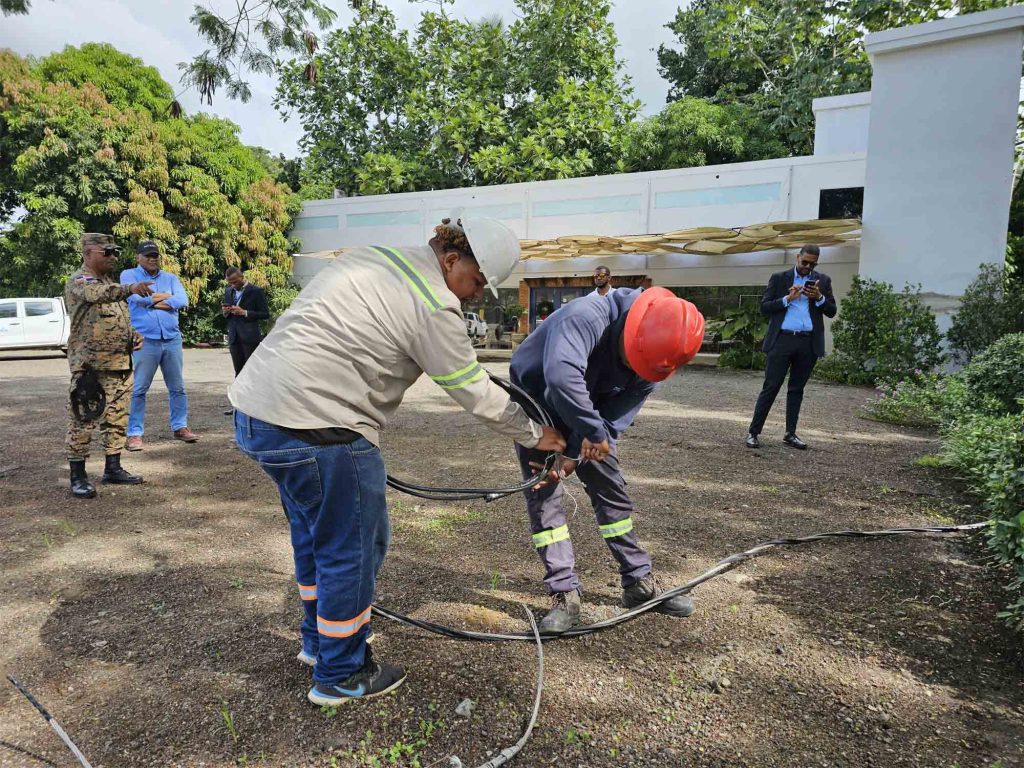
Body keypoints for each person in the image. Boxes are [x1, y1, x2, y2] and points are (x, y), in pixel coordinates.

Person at [228, 218, 566, 707]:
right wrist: (537, 434)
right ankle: (341, 673)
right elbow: (473, 389)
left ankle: (318, 643)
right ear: (451, 259)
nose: (476, 295)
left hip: (259, 417)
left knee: (315, 535)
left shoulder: (374, 256)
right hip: (321, 427)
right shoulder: (434, 304)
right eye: (476, 282)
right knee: (352, 549)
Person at [510, 286, 705, 632]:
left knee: (612, 493)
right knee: (545, 497)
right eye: (632, 360)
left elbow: (613, 419)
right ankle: (563, 592)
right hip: (538, 408)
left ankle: (638, 581)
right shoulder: (584, 317)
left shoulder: (656, 361)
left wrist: (577, 450)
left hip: (591, 416)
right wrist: (585, 436)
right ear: (633, 328)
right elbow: (561, 380)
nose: (634, 369)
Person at [65, 233, 154, 498]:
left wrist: (133, 335)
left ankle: (113, 467)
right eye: (108, 252)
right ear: (89, 253)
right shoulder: (81, 281)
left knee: (117, 418)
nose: (113, 257)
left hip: (120, 363)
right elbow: (99, 295)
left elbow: (114, 316)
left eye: (115, 252)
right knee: (84, 419)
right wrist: (131, 288)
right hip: (91, 366)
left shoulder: (109, 283)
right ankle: (78, 476)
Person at [745, 244, 837, 450]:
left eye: (813, 264)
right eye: (805, 262)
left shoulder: (823, 281)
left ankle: (790, 433)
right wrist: (787, 299)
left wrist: (819, 298)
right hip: (782, 340)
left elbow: (832, 311)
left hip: (808, 343)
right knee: (771, 387)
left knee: (797, 390)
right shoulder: (779, 278)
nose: (808, 267)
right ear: (797, 257)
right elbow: (765, 307)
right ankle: (753, 432)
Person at [120, 240, 200, 450]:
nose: (152, 259)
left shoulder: (170, 277)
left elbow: (183, 301)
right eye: (147, 255)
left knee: (178, 387)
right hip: (145, 340)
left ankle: (180, 427)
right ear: (138, 257)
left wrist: (153, 300)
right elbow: (137, 298)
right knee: (139, 388)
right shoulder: (128, 275)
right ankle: (134, 433)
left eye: (155, 255)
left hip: (172, 339)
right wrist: (167, 297)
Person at [222, 267, 269, 376]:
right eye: (230, 283)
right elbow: (227, 314)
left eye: (235, 282)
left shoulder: (256, 291)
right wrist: (225, 312)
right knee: (238, 371)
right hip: (234, 337)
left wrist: (245, 312)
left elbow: (265, 314)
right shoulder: (228, 291)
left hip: (250, 337)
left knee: (252, 371)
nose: (233, 285)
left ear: (242, 277)